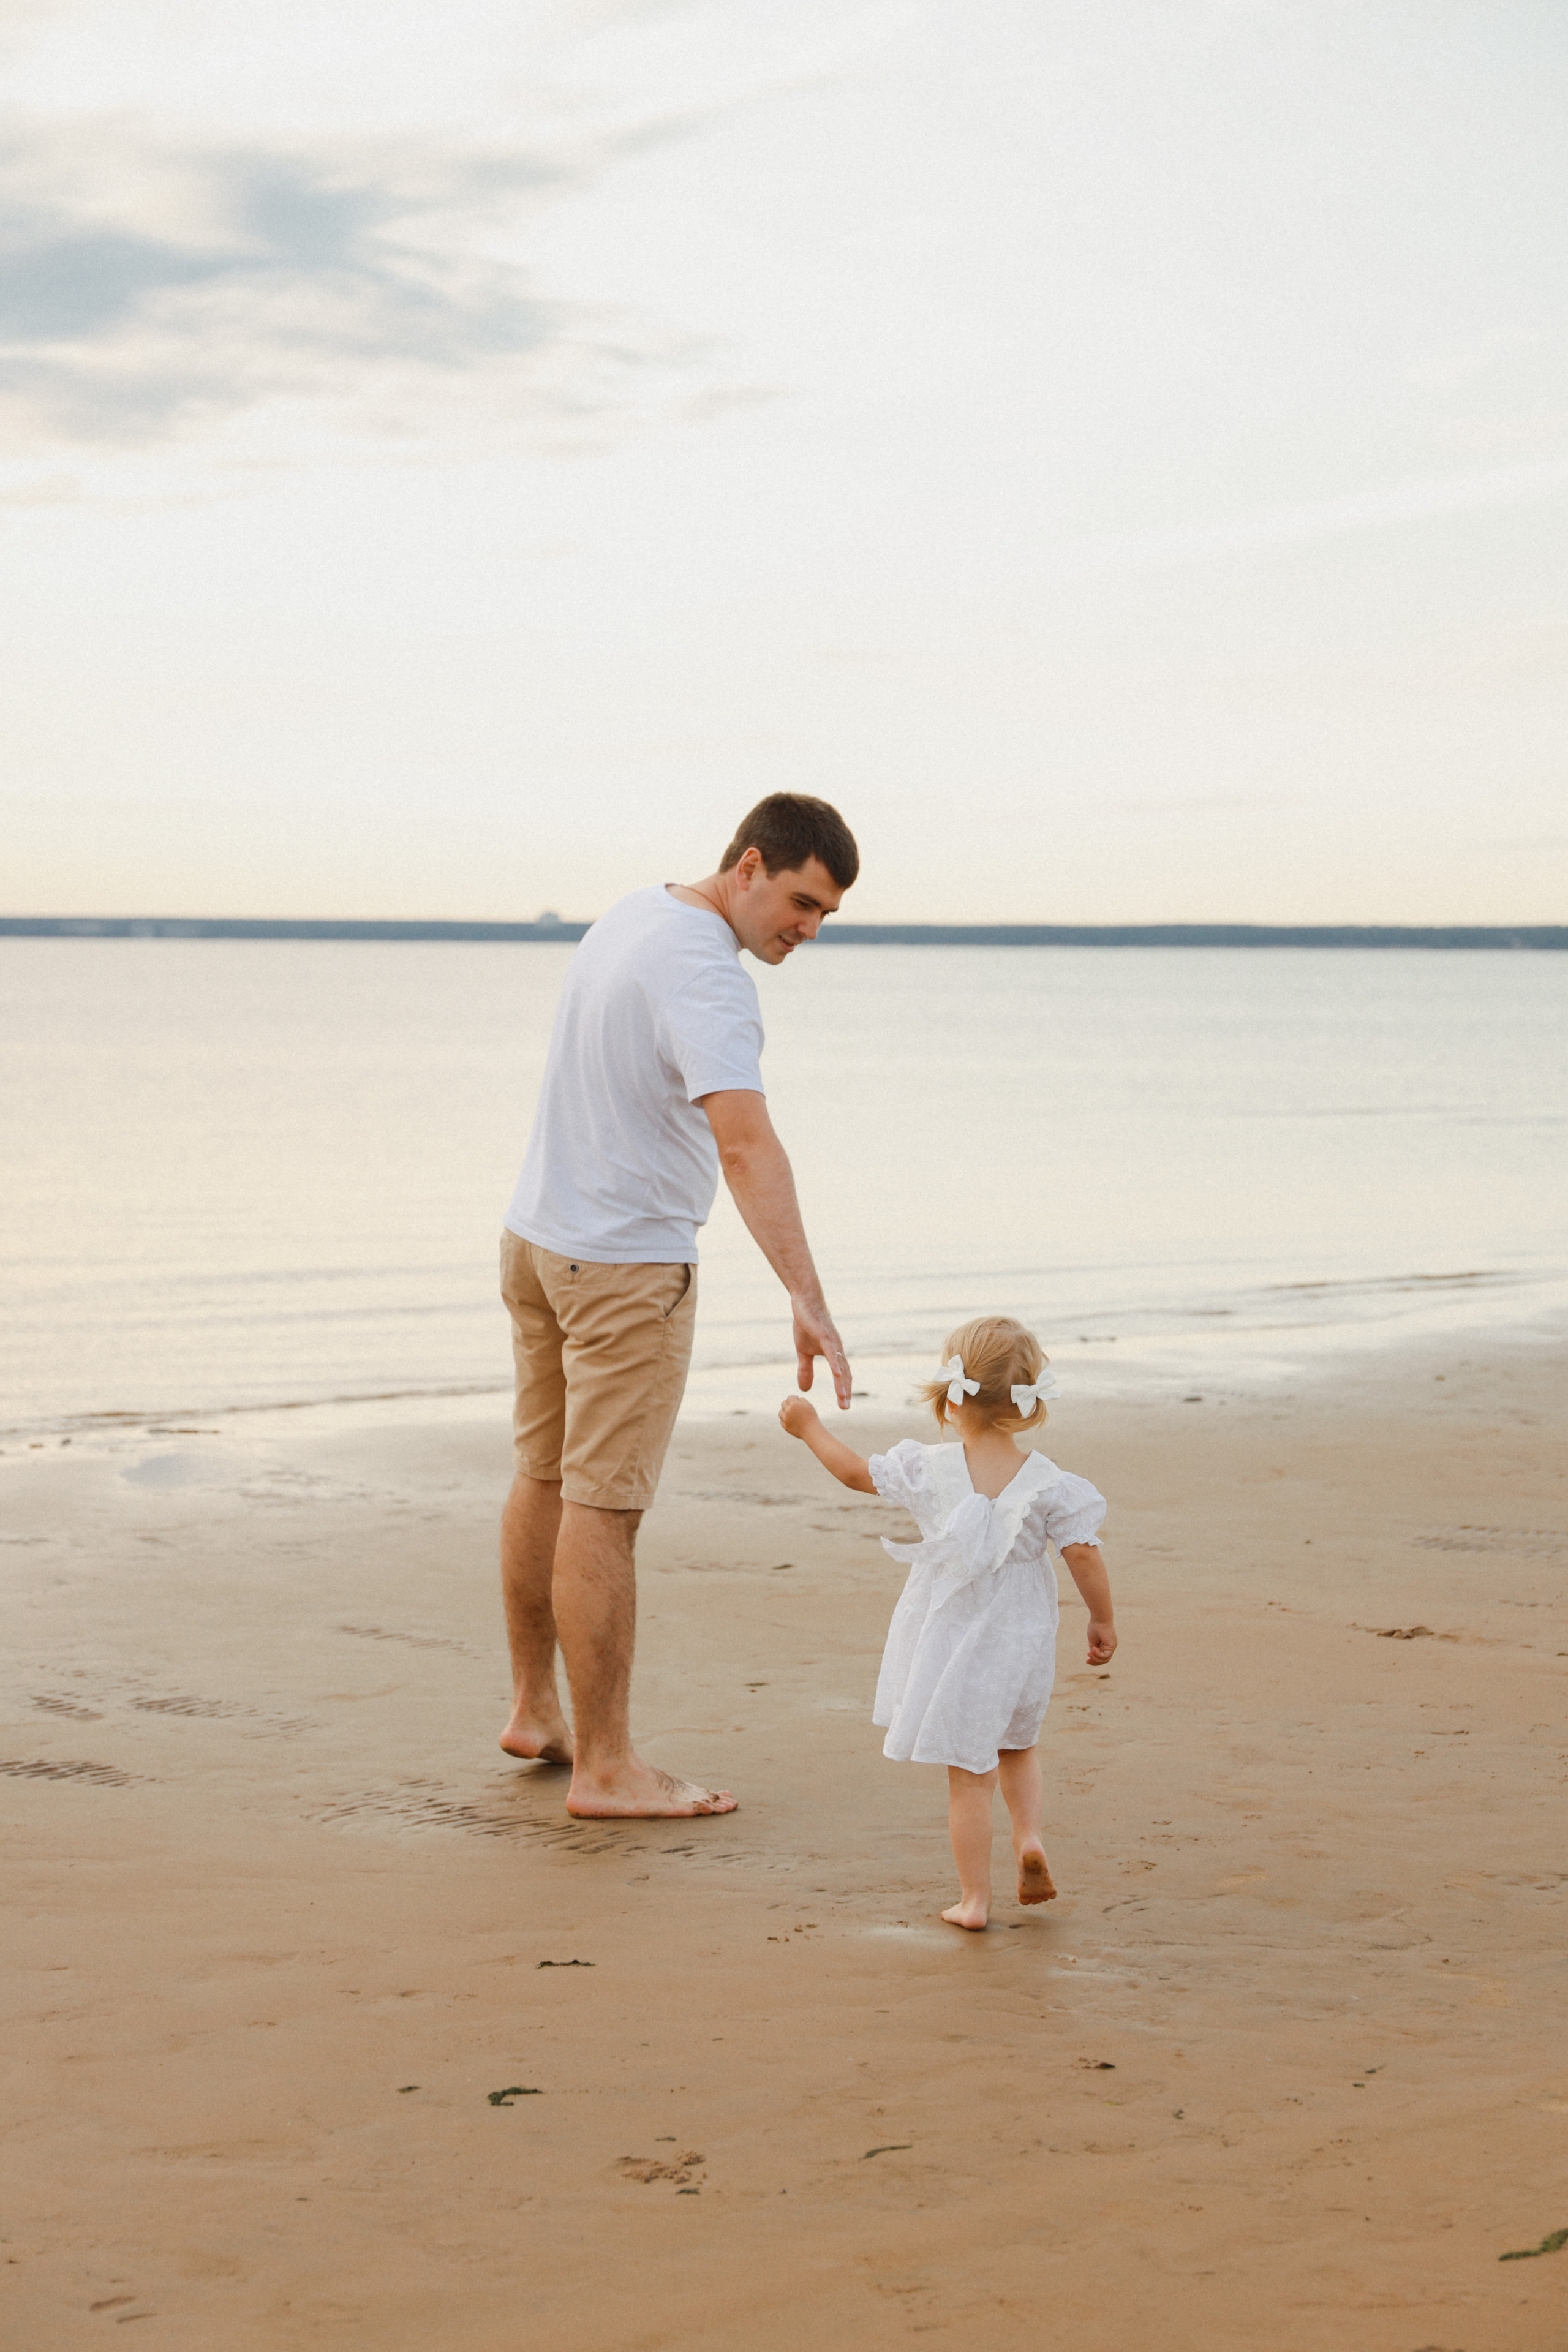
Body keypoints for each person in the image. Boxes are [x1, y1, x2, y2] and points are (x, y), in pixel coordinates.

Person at [498, 793, 859, 1819]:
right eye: (801, 902)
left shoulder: (634, 914)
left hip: (538, 1241)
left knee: (542, 1476)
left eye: (828, 914)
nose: (809, 929)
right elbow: (746, 1144)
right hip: (620, 1272)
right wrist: (808, 1297)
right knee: (602, 1508)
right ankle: (607, 1767)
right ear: (749, 866)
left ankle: (537, 1711)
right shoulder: (709, 977)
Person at [778, 1314, 1117, 1929]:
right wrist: (1101, 1619)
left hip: (955, 1640)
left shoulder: (927, 1469)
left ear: (950, 1396)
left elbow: (855, 1473)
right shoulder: (1051, 1483)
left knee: (969, 1780)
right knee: (1018, 1747)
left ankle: (974, 1901)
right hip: (1023, 1639)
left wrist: (808, 1428)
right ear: (1026, 1400)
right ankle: (1030, 1838)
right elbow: (1083, 1555)